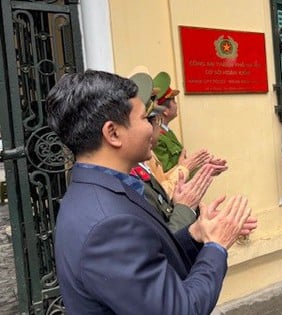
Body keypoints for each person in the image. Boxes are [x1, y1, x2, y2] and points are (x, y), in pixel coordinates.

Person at [48, 70, 257, 314]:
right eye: (145, 119)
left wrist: (195, 234)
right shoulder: (109, 225)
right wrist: (216, 246)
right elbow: (179, 309)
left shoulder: (102, 188)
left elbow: (149, 260)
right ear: (113, 133)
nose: (152, 129)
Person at [127, 72, 225, 232]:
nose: (151, 128)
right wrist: (185, 169)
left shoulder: (162, 139)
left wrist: (203, 170)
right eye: (146, 120)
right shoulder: (135, 165)